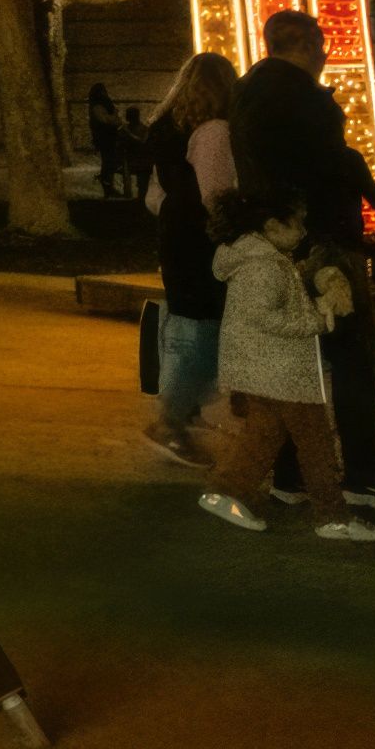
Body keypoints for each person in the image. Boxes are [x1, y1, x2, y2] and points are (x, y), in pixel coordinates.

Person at [230, 10, 375, 514]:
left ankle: (291, 472)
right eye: (322, 48)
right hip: (325, 240)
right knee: (355, 360)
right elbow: (331, 166)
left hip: (278, 239)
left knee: (298, 363)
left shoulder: (246, 94)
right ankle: (366, 472)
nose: (326, 58)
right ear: (309, 44)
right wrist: (366, 189)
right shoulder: (305, 99)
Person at [197, 188, 375, 541]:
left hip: (268, 371)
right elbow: (268, 318)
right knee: (315, 444)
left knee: (263, 437)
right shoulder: (264, 267)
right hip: (280, 371)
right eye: (296, 224)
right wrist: (319, 318)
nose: (303, 231)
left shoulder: (265, 260)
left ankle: (225, 493)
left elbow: (273, 309)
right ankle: (334, 518)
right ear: (272, 226)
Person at [139, 50, 240, 468]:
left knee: (187, 326)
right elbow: (216, 196)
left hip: (175, 237)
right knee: (205, 332)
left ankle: (183, 412)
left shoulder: (167, 129)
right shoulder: (215, 131)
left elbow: (152, 197)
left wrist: (174, 218)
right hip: (204, 242)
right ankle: (172, 422)